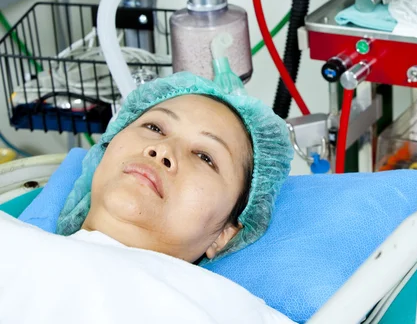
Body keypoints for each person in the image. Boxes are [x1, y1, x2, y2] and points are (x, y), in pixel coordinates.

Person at [0, 72, 296, 323]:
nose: (163, 150)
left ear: (226, 234)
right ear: (105, 149)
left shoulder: (232, 312)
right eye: (154, 127)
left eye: (204, 156)